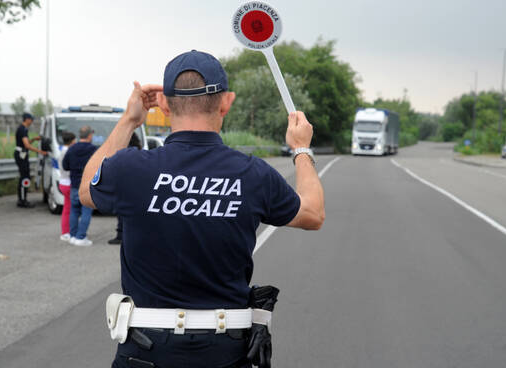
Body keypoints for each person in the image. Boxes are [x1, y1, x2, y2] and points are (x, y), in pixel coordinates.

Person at [79, 50, 325, 368]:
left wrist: (129, 120)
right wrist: (301, 148)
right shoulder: (253, 174)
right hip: (225, 348)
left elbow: (87, 190)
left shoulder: (130, 168)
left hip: (146, 348)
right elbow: (313, 213)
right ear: (226, 102)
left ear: (164, 105)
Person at [62, 125, 98, 246]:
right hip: (87, 186)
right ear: (89, 135)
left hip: (74, 185)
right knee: (86, 211)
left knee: (74, 210)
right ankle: (81, 237)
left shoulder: (71, 149)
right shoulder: (94, 150)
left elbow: (65, 165)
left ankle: (72, 235)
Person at [107, 133, 142, 245]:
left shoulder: (122, 154)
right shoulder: (141, 153)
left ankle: (120, 236)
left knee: (121, 213)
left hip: (123, 187)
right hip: (137, 187)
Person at [14, 112, 47, 208]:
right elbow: (27, 145)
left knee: (24, 176)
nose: (32, 121)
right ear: (27, 119)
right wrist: (40, 151)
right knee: (25, 177)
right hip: (21, 155)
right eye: (31, 119)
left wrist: (34, 139)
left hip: (21, 154)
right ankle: (22, 200)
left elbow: (26, 142)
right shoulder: (23, 129)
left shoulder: (23, 129)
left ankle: (22, 199)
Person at [59, 131, 76, 242]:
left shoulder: (61, 151)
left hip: (63, 182)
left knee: (66, 209)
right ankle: (67, 232)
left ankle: (66, 231)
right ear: (72, 141)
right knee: (71, 210)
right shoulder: (69, 152)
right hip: (69, 183)